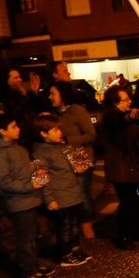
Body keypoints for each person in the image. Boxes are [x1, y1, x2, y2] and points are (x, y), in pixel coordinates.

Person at [0, 113, 53, 278]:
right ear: (2, 131)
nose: (19, 129)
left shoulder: (16, 148)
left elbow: (21, 171)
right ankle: (28, 272)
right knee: (24, 239)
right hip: (18, 202)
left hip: (29, 199)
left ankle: (33, 266)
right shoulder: (0, 154)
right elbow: (3, 181)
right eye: (14, 126)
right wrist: (30, 186)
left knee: (31, 236)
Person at [32, 113, 91, 266]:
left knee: (73, 223)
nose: (60, 132)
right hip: (60, 196)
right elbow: (41, 179)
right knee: (64, 226)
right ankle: (65, 253)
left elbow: (78, 168)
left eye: (59, 129)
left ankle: (74, 248)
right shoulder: (39, 152)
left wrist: (80, 163)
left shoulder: (62, 147)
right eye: (55, 130)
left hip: (72, 193)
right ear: (44, 134)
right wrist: (49, 199)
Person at [48, 81, 97, 239]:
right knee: (69, 194)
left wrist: (68, 139)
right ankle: (73, 227)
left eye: (53, 93)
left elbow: (90, 135)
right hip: (63, 160)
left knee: (82, 192)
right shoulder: (53, 114)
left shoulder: (77, 110)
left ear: (62, 95)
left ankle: (87, 225)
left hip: (80, 156)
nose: (50, 97)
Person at [101, 85, 139, 250]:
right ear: (115, 102)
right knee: (128, 202)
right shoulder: (111, 116)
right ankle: (125, 236)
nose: (129, 102)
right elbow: (117, 122)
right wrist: (128, 117)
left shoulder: (122, 116)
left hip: (128, 164)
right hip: (121, 166)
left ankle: (133, 233)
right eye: (125, 100)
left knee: (132, 201)